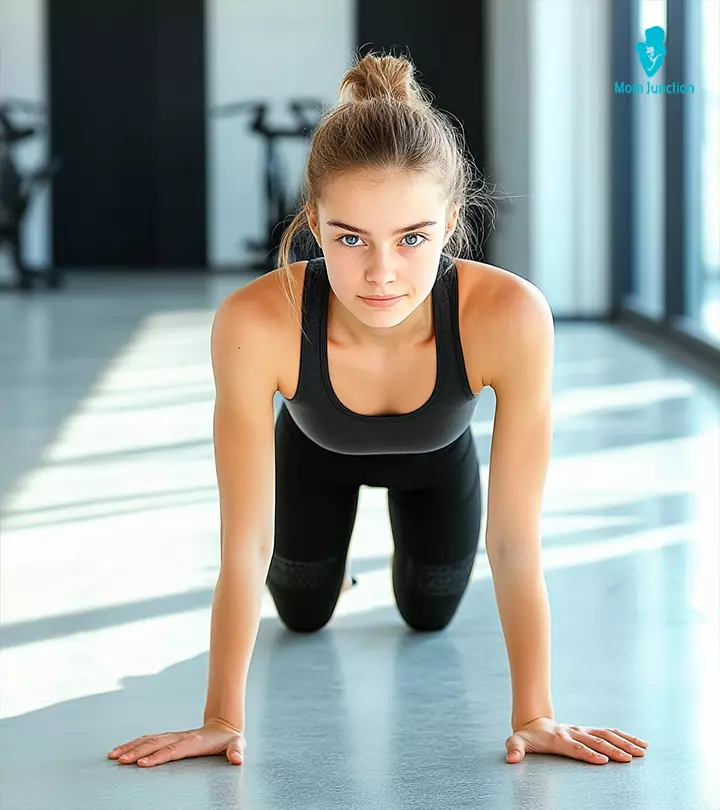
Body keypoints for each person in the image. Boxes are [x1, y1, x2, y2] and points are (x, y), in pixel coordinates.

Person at [107, 51, 648, 770]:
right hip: (311, 456)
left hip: (438, 466)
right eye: (350, 238)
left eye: (413, 238)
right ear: (315, 223)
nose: (382, 273)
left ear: (453, 222)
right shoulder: (256, 321)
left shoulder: (511, 316)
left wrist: (537, 714)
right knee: (302, 615)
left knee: (428, 617)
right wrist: (219, 717)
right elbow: (244, 543)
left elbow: (516, 542)